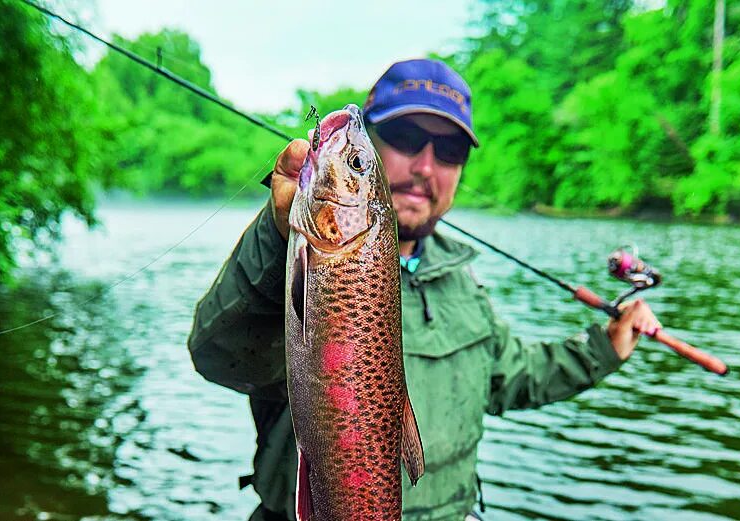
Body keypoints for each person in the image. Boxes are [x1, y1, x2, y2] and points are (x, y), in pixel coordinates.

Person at [187, 58, 660, 521]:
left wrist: (605, 348)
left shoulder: (462, 280)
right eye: (408, 138)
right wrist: (276, 237)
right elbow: (219, 354)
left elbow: (512, 375)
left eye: (450, 150)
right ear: (372, 140)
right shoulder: (292, 251)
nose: (427, 166)